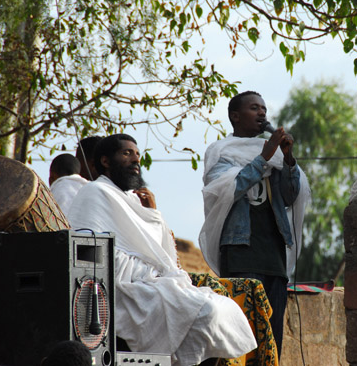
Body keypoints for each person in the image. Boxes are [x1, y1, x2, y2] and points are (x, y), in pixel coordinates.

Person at [68, 134, 256, 366]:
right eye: (127, 154)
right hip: (121, 286)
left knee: (224, 310)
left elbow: (161, 253)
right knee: (206, 312)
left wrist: (153, 214)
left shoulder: (134, 199)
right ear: (106, 161)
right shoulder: (94, 193)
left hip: (153, 280)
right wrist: (147, 274)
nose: (135, 160)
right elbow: (92, 255)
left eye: (137, 154)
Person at [199, 91, 311, 358]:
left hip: (274, 256)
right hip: (241, 252)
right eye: (254, 108)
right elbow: (230, 189)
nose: (262, 113)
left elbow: (290, 197)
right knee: (242, 336)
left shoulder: (273, 155)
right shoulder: (220, 152)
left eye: (263, 108)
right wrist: (265, 156)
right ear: (235, 116)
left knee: (272, 339)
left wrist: (288, 159)